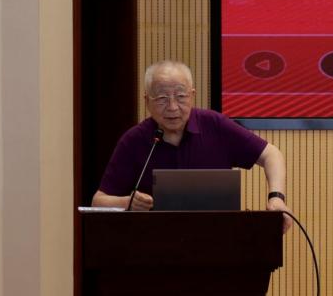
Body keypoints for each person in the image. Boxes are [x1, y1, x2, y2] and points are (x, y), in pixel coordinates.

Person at [92, 60, 292, 233]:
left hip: (220, 241)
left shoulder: (215, 125)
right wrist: (127, 202)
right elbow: (98, 201)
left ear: (192, 95)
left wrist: (277, 198)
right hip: (153, 246)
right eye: (161, 98)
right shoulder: (134, 140)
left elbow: (271, 155)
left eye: (181, 96)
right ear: (147, 101)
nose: (172, 107)